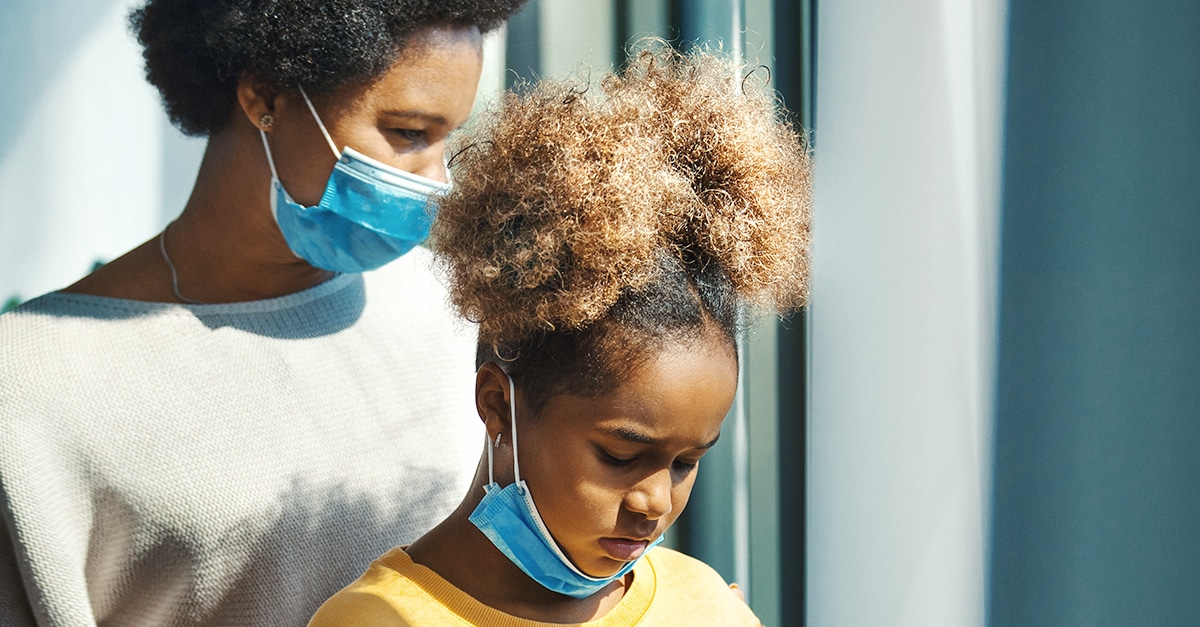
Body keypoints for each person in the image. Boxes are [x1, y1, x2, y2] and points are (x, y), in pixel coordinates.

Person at [0, 0, 527, 624]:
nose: (435, 178)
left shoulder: (456, 311)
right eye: (408, 133)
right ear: (265, 94)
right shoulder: (29, 381)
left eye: (449, 139)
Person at [308, 45, 812, 626]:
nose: (655, 504)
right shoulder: (378, 620)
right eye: (620, 455)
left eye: (684, 463)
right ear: (498, 405)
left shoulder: (706, 605)